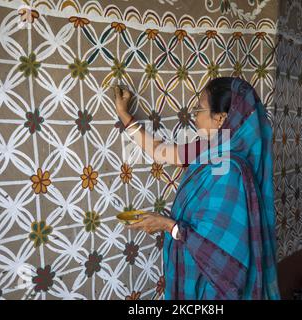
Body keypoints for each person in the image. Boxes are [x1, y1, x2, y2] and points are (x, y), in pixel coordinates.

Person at [113, 77, 280, 299]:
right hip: (196, 268)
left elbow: (220, 253)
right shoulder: (208, 150)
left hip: (214, 283)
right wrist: (124, 114)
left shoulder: (230, 170)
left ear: (220, 118)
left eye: (200, 108)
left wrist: (167, 225)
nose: (195, 115)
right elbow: (157, 151)